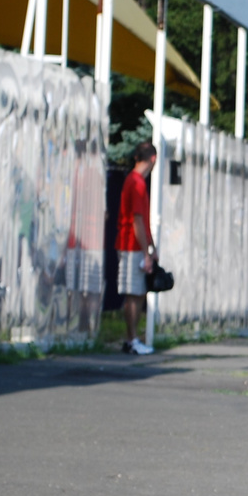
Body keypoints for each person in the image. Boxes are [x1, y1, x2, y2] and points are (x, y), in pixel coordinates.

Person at [117, 142, 158, 355]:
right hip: (131, 246)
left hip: (132, 245)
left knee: (137, 292)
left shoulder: (133, 181)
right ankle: (132, 339)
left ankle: (133, 338)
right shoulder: (138, 183)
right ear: (153, 159)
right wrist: (146, 251)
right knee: (134, 293)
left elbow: (141, 220)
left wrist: (151, 246)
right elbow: (138, 220)